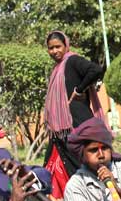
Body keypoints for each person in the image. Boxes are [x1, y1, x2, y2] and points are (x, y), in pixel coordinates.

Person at [43, 30, 106, 191]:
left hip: (79, 126)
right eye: (51, 48)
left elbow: (96, 70)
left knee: (90, 168)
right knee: (61, 169)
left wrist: (79, 89)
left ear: (66, 46)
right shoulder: (57, 69)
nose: (55, 51)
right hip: (62, 132)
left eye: (58, 46)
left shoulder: (72, 61)